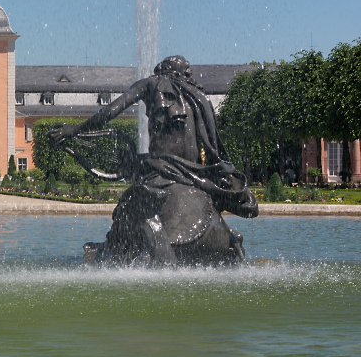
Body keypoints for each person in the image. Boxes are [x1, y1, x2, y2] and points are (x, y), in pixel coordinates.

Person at [51, 55, 257, 264]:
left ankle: (124, 253)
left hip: (162, 172)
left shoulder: (150, 84)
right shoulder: (198, 96)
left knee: (132, 204)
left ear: (161, 71)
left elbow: (110, 111)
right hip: (195, 175)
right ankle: (229, 237)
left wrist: (75, 129)